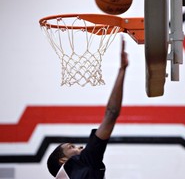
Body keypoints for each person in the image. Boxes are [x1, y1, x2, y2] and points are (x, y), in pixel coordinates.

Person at [47, 38, 128, 179]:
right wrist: (122, 70)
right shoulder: (82, 163)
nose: (81, 148)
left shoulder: (80, 170)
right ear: (63, 160)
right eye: (71, 147)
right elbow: (112, 113)